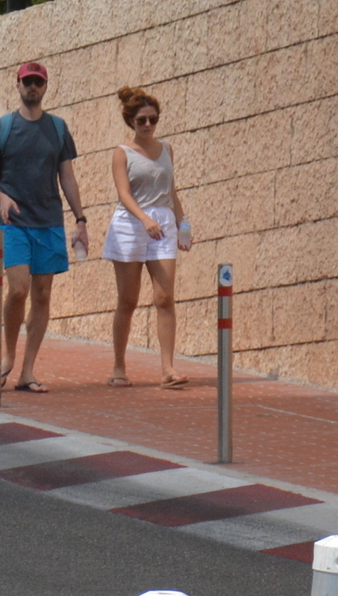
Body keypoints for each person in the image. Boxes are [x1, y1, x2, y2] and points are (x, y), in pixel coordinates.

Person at [0, 61, 86, 395]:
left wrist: (81, 220)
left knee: (42, 294)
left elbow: (66, 176)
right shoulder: (2, 128)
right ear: (18, 85)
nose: (32, 87)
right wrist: (1, 198)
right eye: (27, 82)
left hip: (49, 221)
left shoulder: (58, 129)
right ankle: (8, 354)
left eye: (38, 82)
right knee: (19, 289)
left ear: (46, 87)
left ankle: (27, 371)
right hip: (14, 223)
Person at [105, 86, 191, 388]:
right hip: (131, 223)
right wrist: (143, 219)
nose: (148, 125)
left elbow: (171, 189)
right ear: (131, 121)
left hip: (163, 222)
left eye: (153, 119)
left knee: (164, 297)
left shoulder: (166, 149)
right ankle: (118, 366)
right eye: (142, 120)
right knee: (127, 300)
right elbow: (123, 194)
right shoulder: (122, 153)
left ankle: (168, 368)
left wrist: (183, 223)